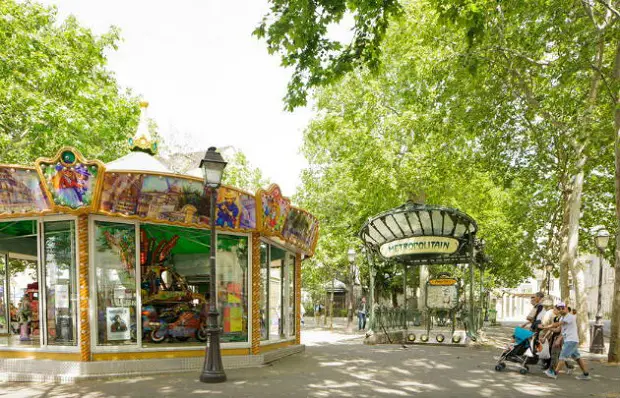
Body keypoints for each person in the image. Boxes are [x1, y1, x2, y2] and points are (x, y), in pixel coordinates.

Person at [544, 302, 590, 380]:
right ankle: (586, 374)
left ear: (566, 308)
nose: (561, 310)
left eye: (562, 308)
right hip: (569, 340)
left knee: (562, 356)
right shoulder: (562, 318)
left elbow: (558, 324)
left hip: (571, 340)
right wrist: (548, 328)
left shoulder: (570, 317)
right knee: (577, 358)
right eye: (559, 309)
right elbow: (558, 329)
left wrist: (547, 326)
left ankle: (554, 373)